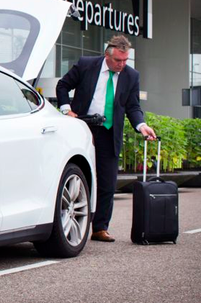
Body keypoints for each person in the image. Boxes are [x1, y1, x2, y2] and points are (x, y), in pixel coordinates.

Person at [56, 35, 156, 242]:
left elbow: (133, 107)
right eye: (118, 60)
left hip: (109, 132)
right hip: (82, 127)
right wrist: (67, 110)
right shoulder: (86, 65)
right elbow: (63, 86)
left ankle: (100, 228)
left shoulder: (131, 76)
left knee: (108, 183)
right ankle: (71, 221)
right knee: (80, 176)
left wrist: (142, 125)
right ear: (107, 55)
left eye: (125, 60)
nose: (122, 65)